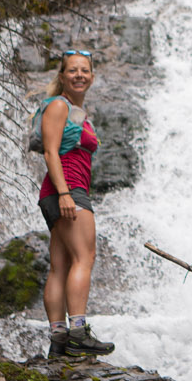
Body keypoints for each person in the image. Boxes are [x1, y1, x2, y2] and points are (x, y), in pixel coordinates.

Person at [37, 49, 115, 359]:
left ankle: (58, 339)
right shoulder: (59, 106)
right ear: (62, 76)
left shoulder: (75, 111)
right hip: (67, 190)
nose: (79, 75)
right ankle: (79, 332)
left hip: (59, 191)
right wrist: (66, 193)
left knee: (60, 266)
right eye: (73, 70)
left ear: (92, 77)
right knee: (85, 257)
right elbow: (50, 153)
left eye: (85, 70)